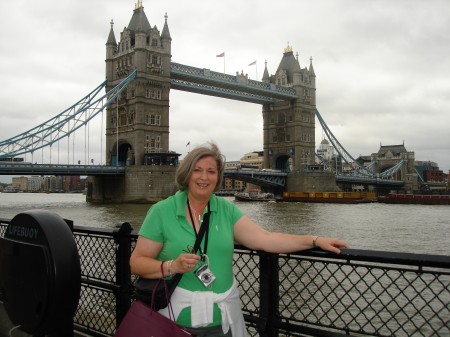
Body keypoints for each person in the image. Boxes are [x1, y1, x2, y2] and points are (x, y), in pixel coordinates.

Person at [130, 142, 349, 337]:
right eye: (197, 170)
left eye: (211, 172)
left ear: (218, 177)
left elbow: (266, 239)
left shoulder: (225, 209)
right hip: (174, 323)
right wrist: (172, 266)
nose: (204, 177)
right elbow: (137, 262)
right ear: (186, 175)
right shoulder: (162, 211)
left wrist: (314, 240)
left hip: (222, 323)